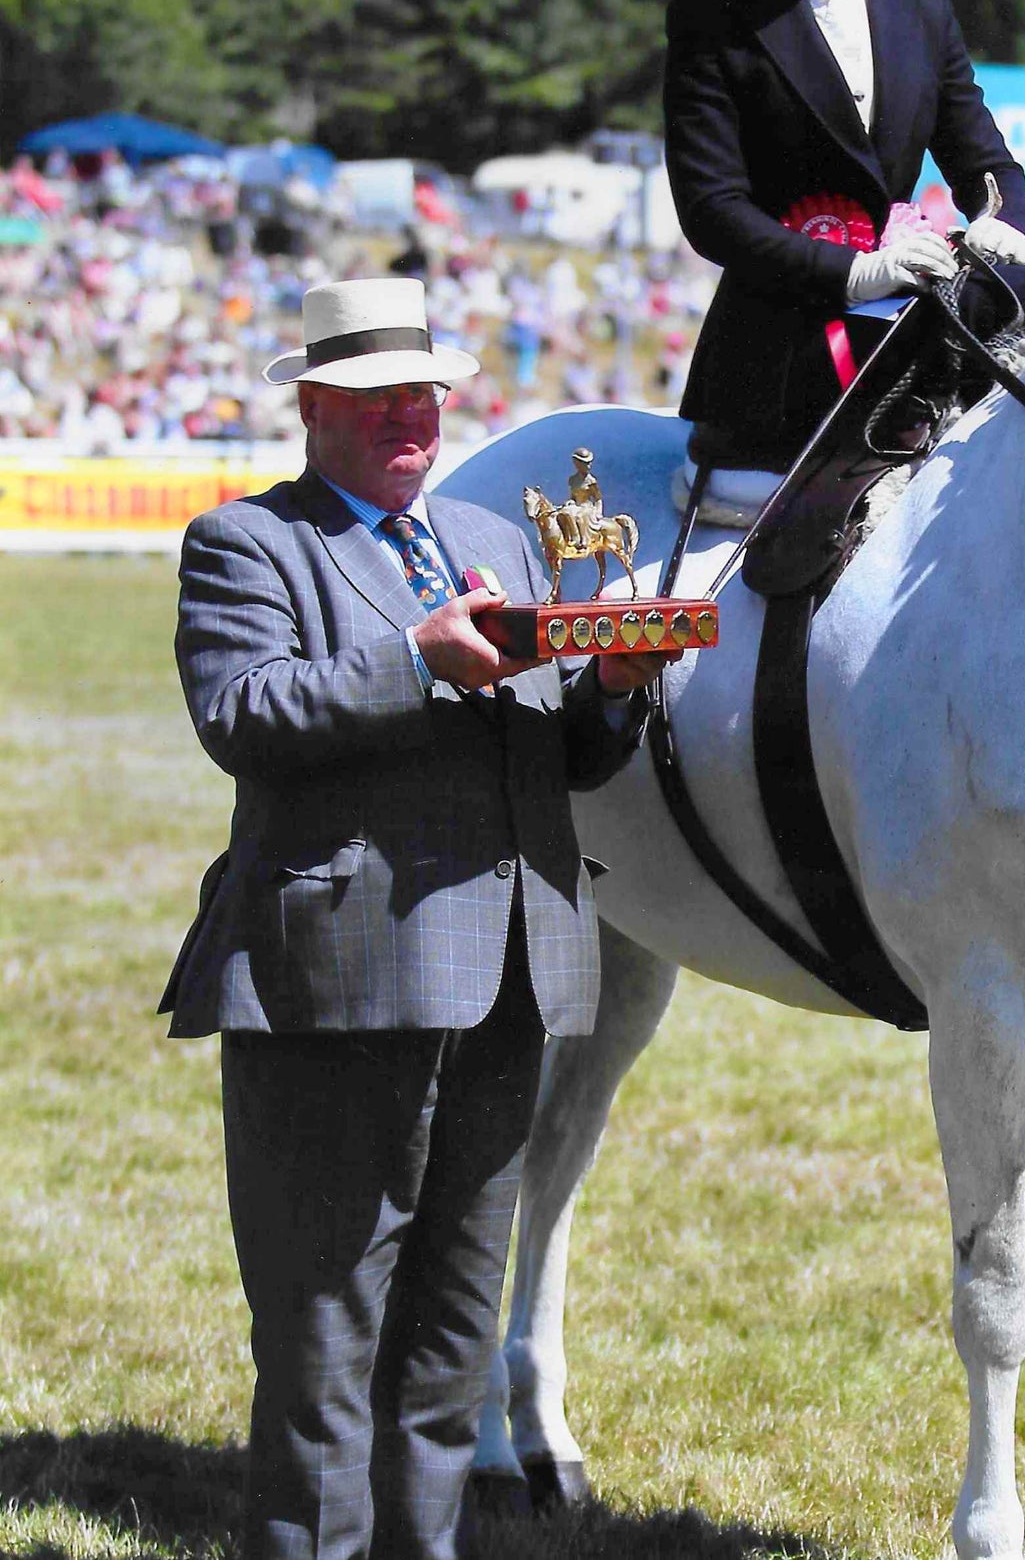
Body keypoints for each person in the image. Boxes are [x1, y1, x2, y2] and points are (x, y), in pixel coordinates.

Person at [161, 276, 675, 1560]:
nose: (411, 418)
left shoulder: (490, 544)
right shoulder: (248, 544)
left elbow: (555, 758)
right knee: (325, 1336)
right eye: (381, 397)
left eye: (426, 395)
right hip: (337, 981)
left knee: (450, 1337)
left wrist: (612, 689)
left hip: (506, 983)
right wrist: (416, 661)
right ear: (314, 407)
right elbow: (246, 718)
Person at [666, 0, 1025, 469]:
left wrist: (1006, 225)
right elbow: (711, 208)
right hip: (779, 349)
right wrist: (851, 274)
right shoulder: (711, 16)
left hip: (920, 330)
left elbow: (985, 160)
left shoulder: (922, 3)